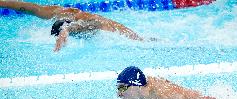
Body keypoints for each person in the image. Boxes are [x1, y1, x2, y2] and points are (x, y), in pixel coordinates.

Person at [0, 1, 145, 51]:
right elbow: (26, 7)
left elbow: (92, 25)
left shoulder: (89, 22)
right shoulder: (56, 12)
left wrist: (66, 29)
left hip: (122, 34)